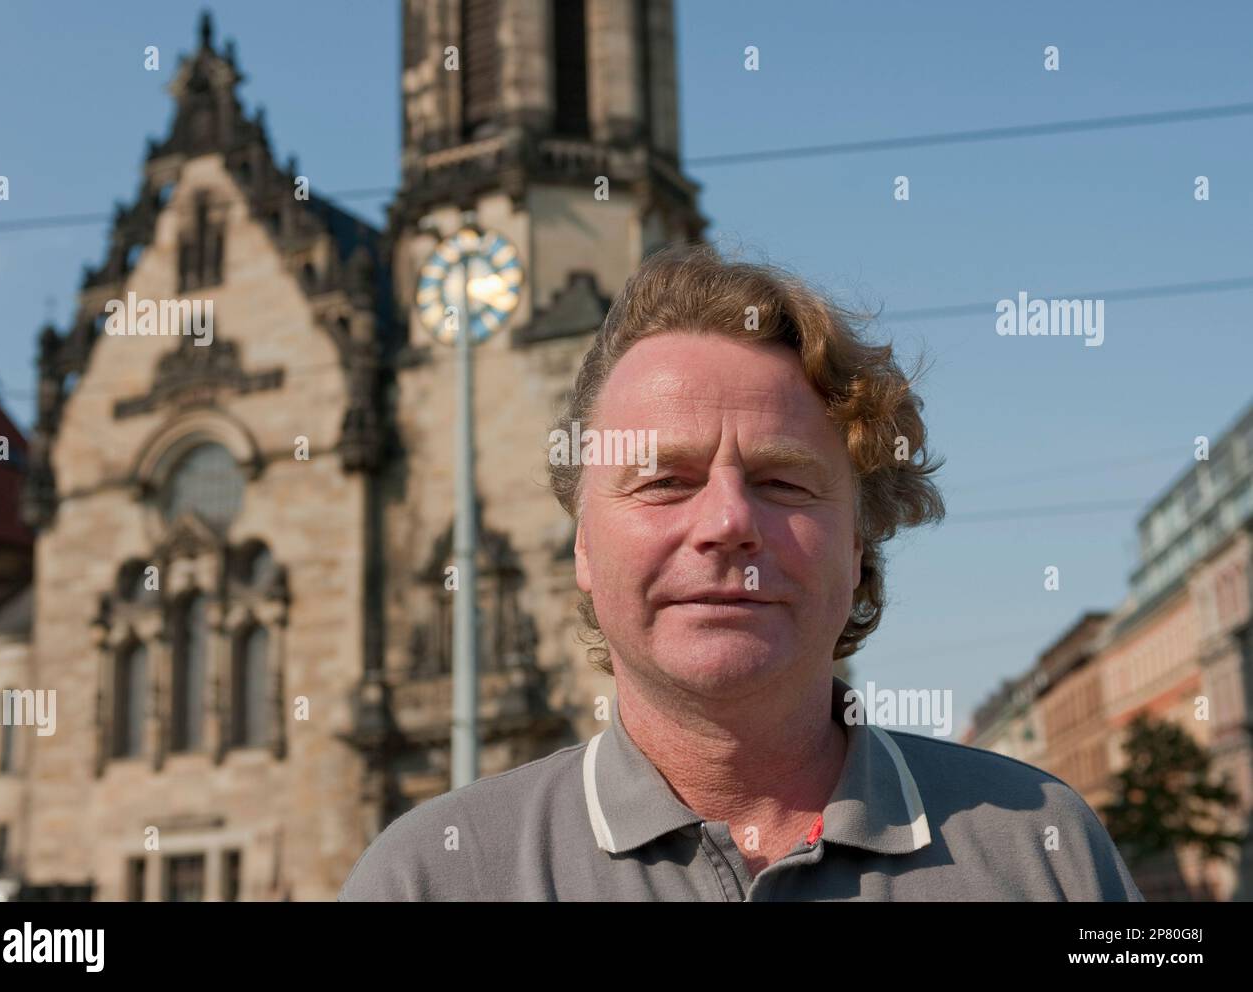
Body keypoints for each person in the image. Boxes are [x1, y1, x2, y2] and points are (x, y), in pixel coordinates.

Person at [340, 244, 1143, 901]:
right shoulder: (426, 879)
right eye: (663, 481)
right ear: (583, 546)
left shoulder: (1046, 854)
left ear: (859, 545)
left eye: (783, 482)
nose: (727, 523)